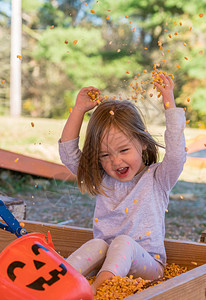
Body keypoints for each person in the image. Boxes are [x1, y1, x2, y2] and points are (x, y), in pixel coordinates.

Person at [59, 74, 186, 295]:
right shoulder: (101, 177)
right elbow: (69, 154)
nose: (115, 162)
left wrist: (169, 101)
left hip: (148, 266)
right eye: (105, 155)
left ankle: (97, 293)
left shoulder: (158, 178)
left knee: (123, 242)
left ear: (144, 143)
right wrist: (79, 110)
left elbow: (176, 155)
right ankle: (57, 284)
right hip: (107, 262)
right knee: (97, 245)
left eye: (124, 150)